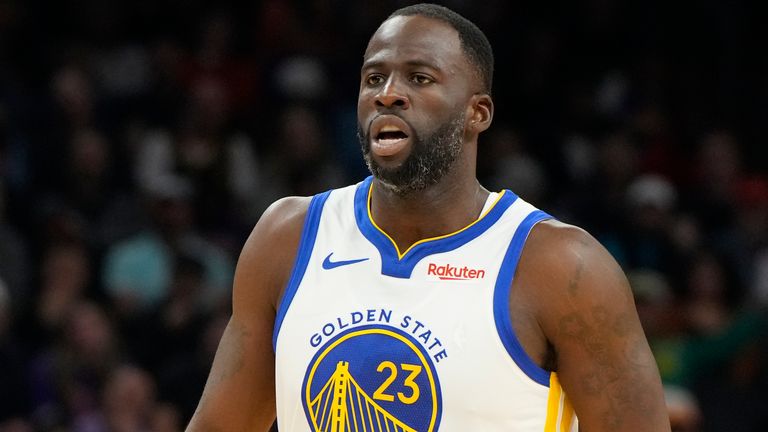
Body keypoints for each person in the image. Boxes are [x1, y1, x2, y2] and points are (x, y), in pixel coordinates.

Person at [186, 3, 670, 431]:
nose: (388, 95)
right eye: (374, 78)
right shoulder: (287, 237)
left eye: (419, 78)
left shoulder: (563, 267)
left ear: (476, 113)